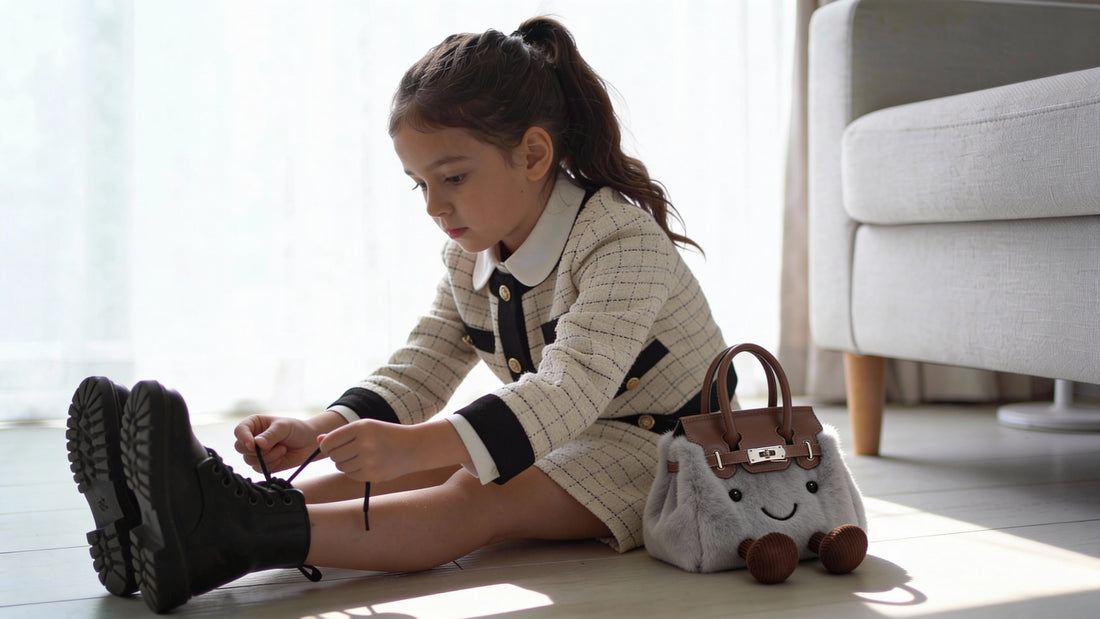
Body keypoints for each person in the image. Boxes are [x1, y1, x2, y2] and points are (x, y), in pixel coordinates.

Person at [65, 16, 735, 614]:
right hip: (569, 428)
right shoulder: (470, 254)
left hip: (668, 449)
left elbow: (571, 387)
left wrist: (425, 442)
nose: (433, 208)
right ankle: (204, 509)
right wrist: (322, 427)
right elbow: (421, 367)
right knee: (400, 465)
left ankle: (234, 535)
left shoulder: (620, 242)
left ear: (533, 155)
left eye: (453, 177)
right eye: (420, 184)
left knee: (476, 490)